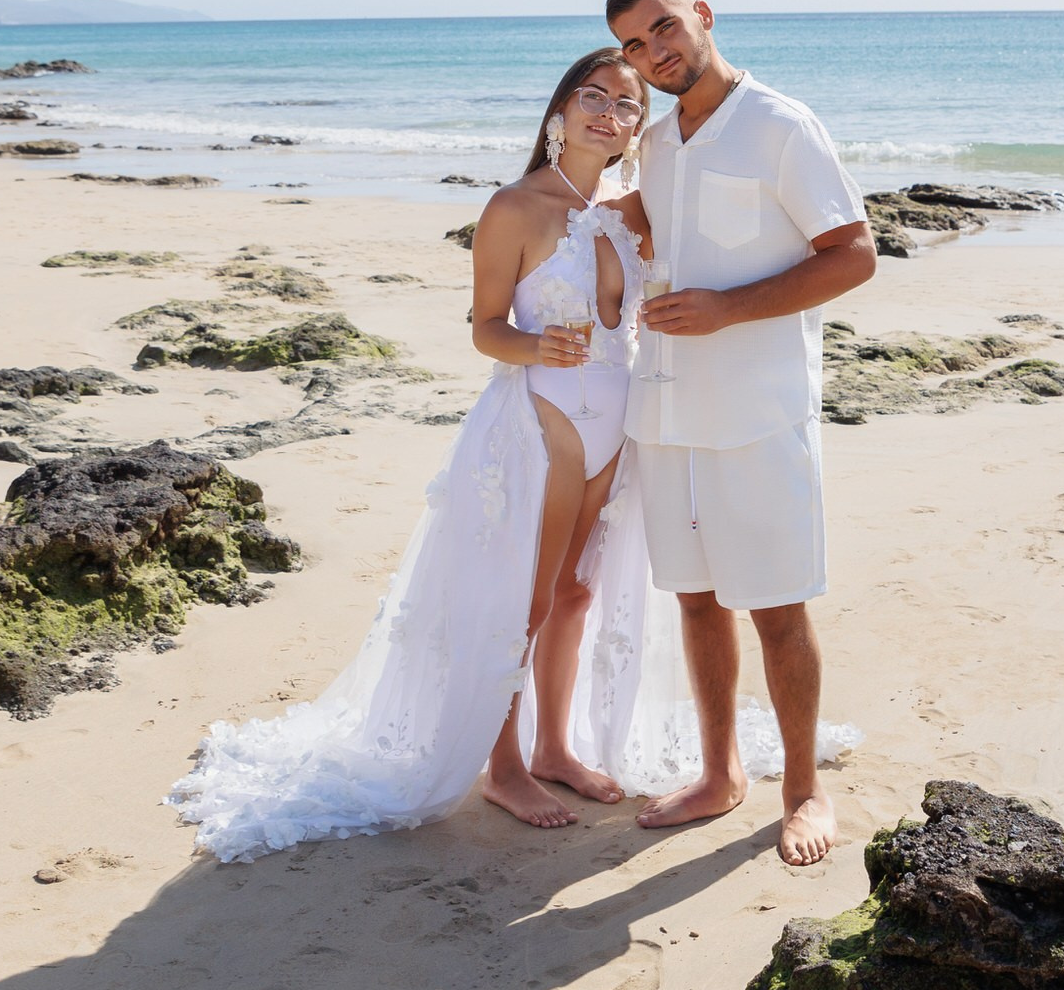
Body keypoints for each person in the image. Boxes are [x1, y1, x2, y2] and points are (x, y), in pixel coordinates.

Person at [167, 50, 854, 861]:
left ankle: (555, 748)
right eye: (591, 97)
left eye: (628, 104)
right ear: (557, 114)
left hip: (619, 423)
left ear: (640, 127)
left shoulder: (631, 210)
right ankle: (504, 767)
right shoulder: (512, 208)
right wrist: (533, 346)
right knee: (519, 603)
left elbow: (730, 231)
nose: (609, 112)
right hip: (543, 422)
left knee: (575, 596)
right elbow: (483, 326)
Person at [607, 0, 877, 866]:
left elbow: (854, 255)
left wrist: (729, 308)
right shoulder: (657, 139)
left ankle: (803, 789)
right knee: (693, 599)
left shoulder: (780, 125)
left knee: (775, 610)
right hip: (665, 408)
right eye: (637, 46)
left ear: (703, 15)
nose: (656, 54)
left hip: (758, 413)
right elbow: (648, 222)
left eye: (665, 29)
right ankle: (721, 773)